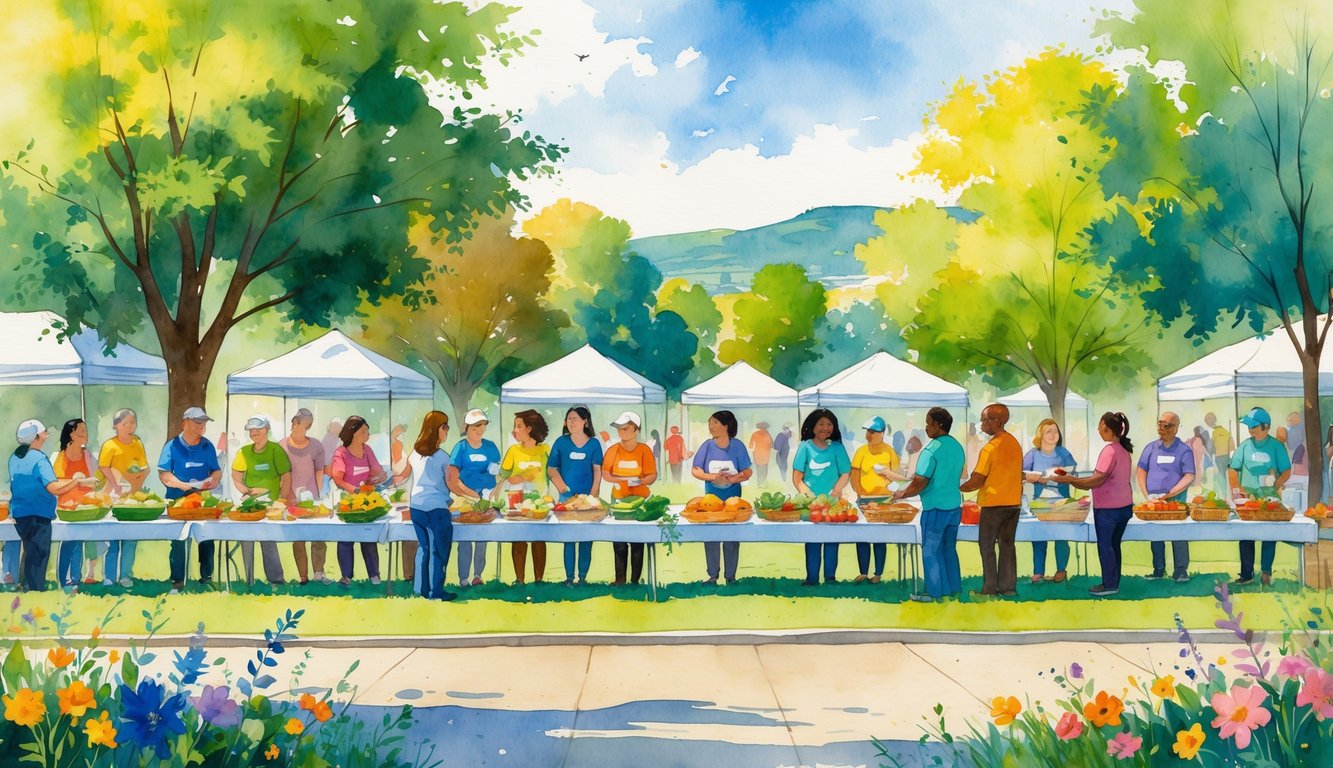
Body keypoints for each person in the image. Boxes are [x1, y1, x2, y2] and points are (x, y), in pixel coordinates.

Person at [1050, 412, 1135, 596]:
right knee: (1114, 545)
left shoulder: (1109, 451)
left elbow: (1097, 480)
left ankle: (1109, 585)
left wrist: (1071, 480)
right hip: (1124, 506)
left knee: (1106, 546)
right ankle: (1113, 583)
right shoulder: (1123, 450)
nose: (1097, 429)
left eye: (1099, 425)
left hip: (1108, 508)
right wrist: (1074, 479)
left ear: (1107, 428)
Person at [892, 407, 965, 602]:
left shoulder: (931, 450)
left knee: (931, 551)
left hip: (935, 508)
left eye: (928, 423)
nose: (926, 428)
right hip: (954, 507)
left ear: (938, 425)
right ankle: (953, 588)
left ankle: (934, 592)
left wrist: (901, 494)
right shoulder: (957, 447)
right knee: (949, 548)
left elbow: (919, 481)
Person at [10, 420, 86, 591]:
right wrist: (76, 481)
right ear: (37, 437)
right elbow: (53, 487)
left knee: (30, 550)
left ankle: (25, 584)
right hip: (38, 513)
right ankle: (35, 588)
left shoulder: (15, 457)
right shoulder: (39, 458)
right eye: (44, 432)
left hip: (20, 512)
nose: (47, 434)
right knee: (39, 552)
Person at [960, 404, 1024, 597]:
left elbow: (977, 479)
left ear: (996, 421)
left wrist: (960, 487)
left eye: (984, 420)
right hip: (1013, 503)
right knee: (1007, 545)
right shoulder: (1014, 443)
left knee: (986, 546)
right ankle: (1008, 588)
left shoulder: (989, 448)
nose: (981, 424)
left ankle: (989, 588)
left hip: (993, 504)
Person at [158, 406, 223, 593]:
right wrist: (183, 486)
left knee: (207, 537)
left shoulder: (207, 445)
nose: (201, 426)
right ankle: (177, 582)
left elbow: (215, 470)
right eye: (197, 422)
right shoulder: (171, 446)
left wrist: (214, 479)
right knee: (178, 539)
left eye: (203, 423)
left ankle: (206, 578)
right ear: (184, 423)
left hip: (201, 499)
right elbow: (164, 474)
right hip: (177, 500)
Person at [1228, 407, 1291, 586]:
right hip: (1249, 500)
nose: (1250, 429)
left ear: (1265, 426)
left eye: (1254, 426)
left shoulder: (1276, 447)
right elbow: (1233, 469)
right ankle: (1247, 573)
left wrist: (1276, 484)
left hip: (1271, 500)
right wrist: (1238, 490)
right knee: (1246, 534)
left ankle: (1266, 572)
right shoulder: (1245, 446)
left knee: (1269, 535)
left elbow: (1286, 470)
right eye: (1249, 426)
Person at [692, 410, 752, 585]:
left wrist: (735, 478)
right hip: (711, 500)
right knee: (711, 536)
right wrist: (713, 477)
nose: (711, 426)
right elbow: (696, 470)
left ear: (727, 425)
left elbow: (748, 470)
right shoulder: (707, 446)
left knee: (732, 537)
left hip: (734, 500)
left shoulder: (737, 446)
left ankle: (731, 576)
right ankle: (712, 575)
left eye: (716, 422)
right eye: (710, 423)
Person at [792, 409, 851, 586]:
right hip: (810, 503)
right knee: (812, 539)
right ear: (812, 426)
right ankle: (812, 578)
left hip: (833, 502)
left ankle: (830, 578)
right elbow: (797, 478)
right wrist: (809, 496)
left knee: (832, 540)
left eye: (829, 424)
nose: (825, 428)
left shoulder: (837, 448)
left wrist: (836, 490)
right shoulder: (805, 446)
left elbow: (845, 473)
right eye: (821, 424)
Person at [229, 415, 289, 586]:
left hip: (271, 505)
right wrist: (246, 491)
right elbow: (236, 477)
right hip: (250, 504)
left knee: (268, 540)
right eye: (251, 430)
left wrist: (282, 500)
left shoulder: (276, 450)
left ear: (267, 430)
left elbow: (286, 477)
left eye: (258, 429)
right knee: (246, 539)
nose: (254, 433)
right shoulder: (244, 452)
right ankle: (249, 580)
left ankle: (276, 580)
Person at [1136, 411, 1196, 583]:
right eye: (1160, 424)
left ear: (1176, 428)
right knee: (1156, 534)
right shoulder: (1151, 448)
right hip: (1154, 500)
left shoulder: (1184, 450)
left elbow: (1189, 475)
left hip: (1176, 501)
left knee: (1178, 534)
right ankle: (1158, 569)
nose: (1162, 428)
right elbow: (1141, 471)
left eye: (1167, 425)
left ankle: (1181, 570)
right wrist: (1147, 495)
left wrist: (1170, 494)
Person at [548, 406, 603, 585]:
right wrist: (562, 488)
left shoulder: (594, 444)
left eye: (575, 419)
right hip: (567, 500)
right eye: (569, 418)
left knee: (586, 539)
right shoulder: (561, 442)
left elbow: (597, 470)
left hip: (588, 500)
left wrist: (594, 494)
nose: (571, 422)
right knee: (569, 538)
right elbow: (551, 469)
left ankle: (583, 578)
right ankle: (569, 577)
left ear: (585, 421)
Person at [330, 415, 387, 586]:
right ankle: (346, 576)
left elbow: (376, 472)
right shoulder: (341, 453)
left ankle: (374, 575)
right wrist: (355, 490)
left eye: (367, 431)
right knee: (346, 539)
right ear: (353, 433)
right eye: (364, 431)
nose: (367, 434)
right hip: (348, 502)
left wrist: (378, 478)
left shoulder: (367, 450)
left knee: (368, 537)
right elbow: (338, 478)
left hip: (367, 502)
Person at [405, 411, 456, 601]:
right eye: (446, 427)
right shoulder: (443, 457)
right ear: (439, 430)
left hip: (416, 507)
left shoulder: (414, 454)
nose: (447, 432)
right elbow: (452, 484)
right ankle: (436, 592)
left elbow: (402, 476)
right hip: (437, 510)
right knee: (439, 550)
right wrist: (471, 496)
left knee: (424, 548)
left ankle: (420, 589)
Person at [850, 416, 906, 583]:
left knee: (879, 536)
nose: (868, 435)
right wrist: (859, 492)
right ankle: (863, 572)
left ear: (882, 433)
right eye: (867, 432)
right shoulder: (861, 451)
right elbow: (854, 475)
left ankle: (878, 573)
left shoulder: (889, 451)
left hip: (884, 500)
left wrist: (891, 485)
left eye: (872, 432)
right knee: (862, 536)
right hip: (864, 499)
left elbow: (898, 476)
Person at [603, 411, 657, 585]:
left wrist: (640, 481)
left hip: (639, 501)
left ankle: (634, 580)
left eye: (626, 428)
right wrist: (621, 480)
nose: (622, 432)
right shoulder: (613, 450)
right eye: (619, 429)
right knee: (618, 541)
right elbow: (606, 473)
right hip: (619, 500)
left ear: (636, 430)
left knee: (637, 541)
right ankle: (620, 579)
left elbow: (652, 475)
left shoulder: (644, 450)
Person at [98, 408, 150, 587]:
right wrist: (116, 485)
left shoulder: (137, 443)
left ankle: (126, 575)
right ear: (116, 426)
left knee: (130, 538)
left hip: (133, 496)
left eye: (132, 423)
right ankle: (109, 577)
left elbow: (145, 467)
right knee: (112, 537)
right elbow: (104, 468)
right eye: (125, 424)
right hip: (113, 494)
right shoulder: (109, 445)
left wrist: (138, 482)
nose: (130, 427)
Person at [448, 409, 500, 586]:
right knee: (465, 537)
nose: (480, 430)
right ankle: (463, 577)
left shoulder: (491, 446)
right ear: (467, 427)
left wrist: (489, 492)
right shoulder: (460, 447)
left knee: (481, 536)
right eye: (476, 426)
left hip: (485, 496)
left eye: (483, 426)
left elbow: (496, 473)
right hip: (465, 498)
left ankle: (478, 574)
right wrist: (469, 494)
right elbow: (453, 476)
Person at [1021, 419, 1077, 583]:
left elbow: (1073, 472)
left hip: (1062, 502)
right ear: (1041, 435)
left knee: (1061, 536)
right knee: (1039, 535)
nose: (1053, 434)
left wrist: (1057, 475)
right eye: (1049, 431)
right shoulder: (1033, 453)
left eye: (1055, 431)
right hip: (1040, 502)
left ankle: (1061, 570)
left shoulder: (1063, 453)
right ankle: (1038, 571)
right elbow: (1021, 473)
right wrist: (1033, 477)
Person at [280, 409, 331, 585]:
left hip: (312, 497)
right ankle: (303, 576)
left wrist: (320, 495)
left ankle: (319, 572)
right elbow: (281, 474)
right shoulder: (282, 446)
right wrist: (283, 496)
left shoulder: (316, 445)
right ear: (293, 423)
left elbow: (319, 471)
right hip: (291, 497)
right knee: (298, 537)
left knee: (318, 536)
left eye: (303, 425)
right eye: (296, 423)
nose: (297, 427)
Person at [500, 410, 551, 584]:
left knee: (538, 539)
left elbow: (552, 472)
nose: (514, 430)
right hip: (517, 500)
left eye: (518, 426)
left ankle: (539, 580)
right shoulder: (513, 450)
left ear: (530, 428)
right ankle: (519, 579)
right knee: (519, 538)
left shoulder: (545, 450)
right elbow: (504, 474)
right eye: (515, 426)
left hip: (539, 502)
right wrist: (522, 476)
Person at [52, 418, 102, 589]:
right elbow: (58, 483)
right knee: (69, 540)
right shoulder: (61, 457)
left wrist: (92, 483)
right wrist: (79, 482)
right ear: (71, 435)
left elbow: (95, 479)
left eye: (86, 431)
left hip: (86, 506)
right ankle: (66, 580)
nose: (85, 435)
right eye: (81, 432)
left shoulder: (87, 455)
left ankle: (75, 579)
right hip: (68, 507)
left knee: (80, 540)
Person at [1206, 412, 1233, 496]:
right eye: (1207, 420)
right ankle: (1225, 494)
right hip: (1226, 456)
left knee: (1221, 476)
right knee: (1224, 476)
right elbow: (1232, 446)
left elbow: (1210, 446)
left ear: (1214, 419)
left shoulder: (1214, 432)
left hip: (1219, 456)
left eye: (1209, 419)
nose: (1208, 422)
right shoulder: (1225, 431)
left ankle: (1223, 495)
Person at [1286, 412, 1307, 477]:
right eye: (1290, 420)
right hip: (1292, 451)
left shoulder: (1300, 427)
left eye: (1295, 420)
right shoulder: (1288, 430)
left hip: (1299, 449)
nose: (1292, 422)